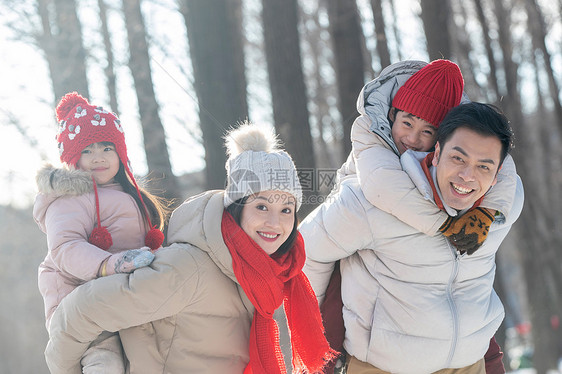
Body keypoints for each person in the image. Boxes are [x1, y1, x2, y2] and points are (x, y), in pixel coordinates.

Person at [43, 122, 336, 374]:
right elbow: (78, 313)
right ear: (236, 207)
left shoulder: (274, 274)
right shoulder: (189, 268)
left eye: (287, 209)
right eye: (261, 206)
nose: (275, 222)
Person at [319, 60, 517, 372]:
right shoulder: (373, 162)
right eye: (407, 123)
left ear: (439, 142)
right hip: (365, 309)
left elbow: (506, 175)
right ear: (391, 116)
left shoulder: (461, 173)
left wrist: (491, 212)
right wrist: (441, 225)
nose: (412, 139)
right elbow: (384, 188)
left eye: (427, 131)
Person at [33, 92, 167, 374]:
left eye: (107, 148)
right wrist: (109, 264)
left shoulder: (133, 196)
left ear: (120, 153)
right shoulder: (67, 199)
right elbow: (65, 248)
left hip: (122, 296)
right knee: (105, 361)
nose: (98, 158)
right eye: (87, 150)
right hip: (79, 300)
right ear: (72, 157)